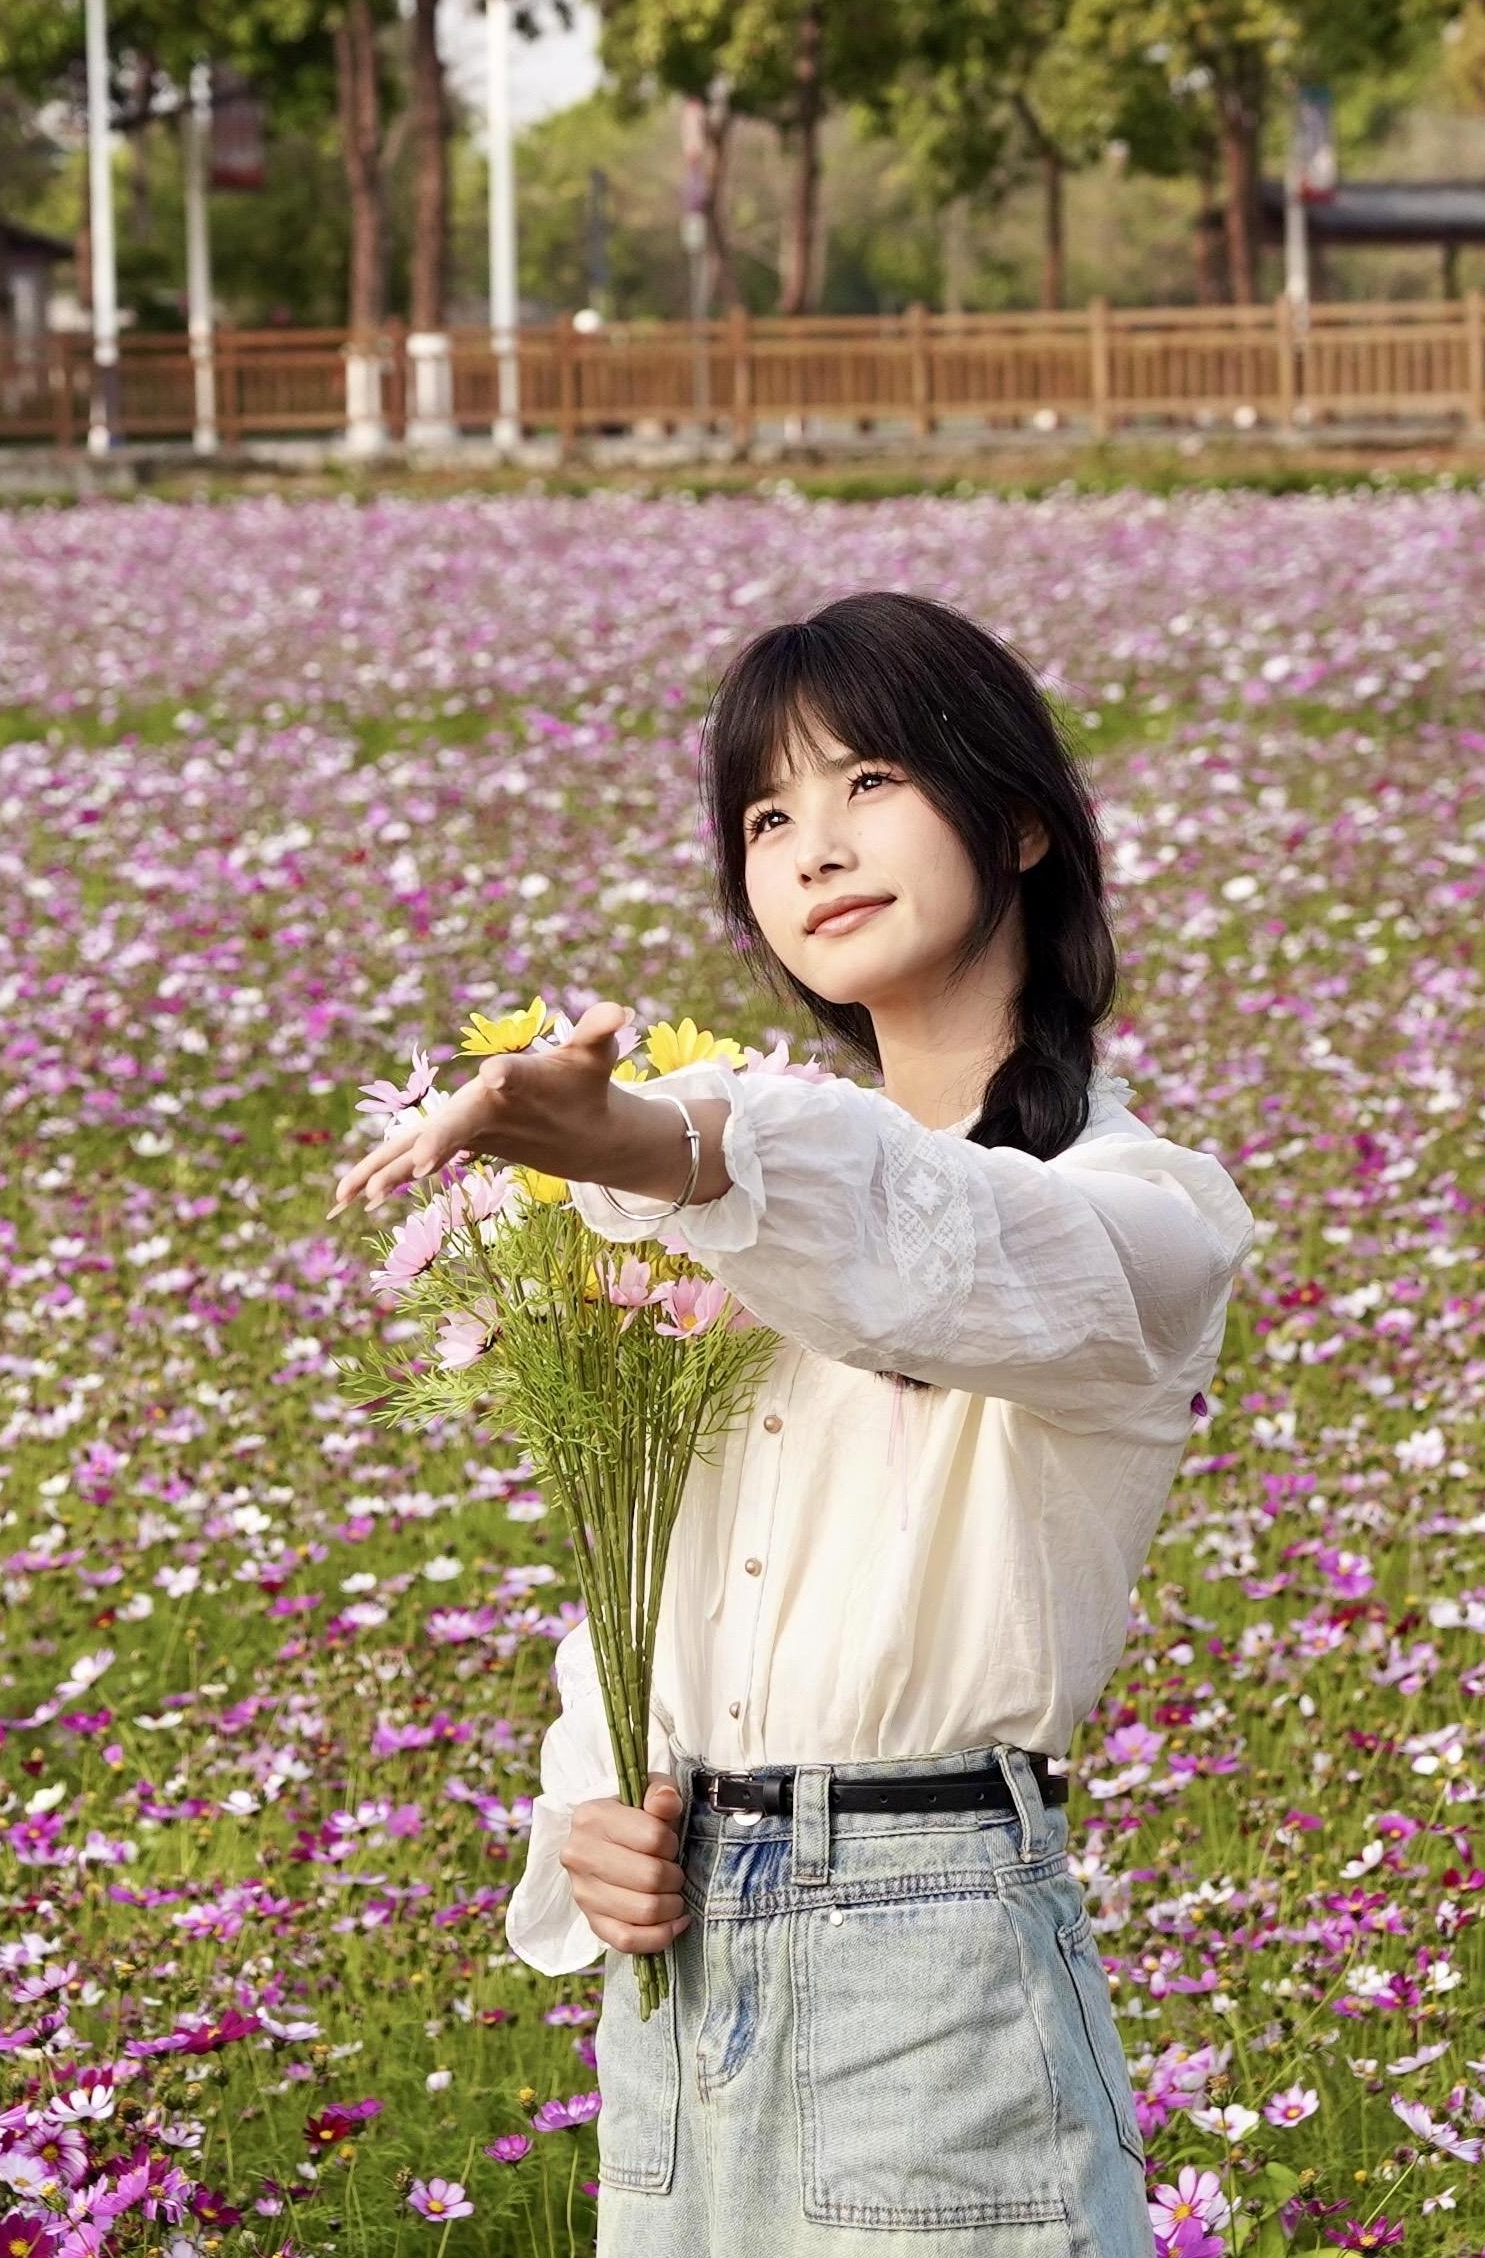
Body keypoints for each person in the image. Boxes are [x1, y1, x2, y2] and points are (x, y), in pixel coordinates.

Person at [331, 592, 1256, 2257]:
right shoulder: (736, 1214)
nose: (813, 845)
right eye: (767, 815)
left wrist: (670, 1145)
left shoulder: (1141, 1220)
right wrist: (590, 1813)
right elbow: (652, 1580)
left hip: (933, 1963)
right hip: (683, 1985)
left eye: (871, 781)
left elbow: (937, 1247)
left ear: (1025, 820)